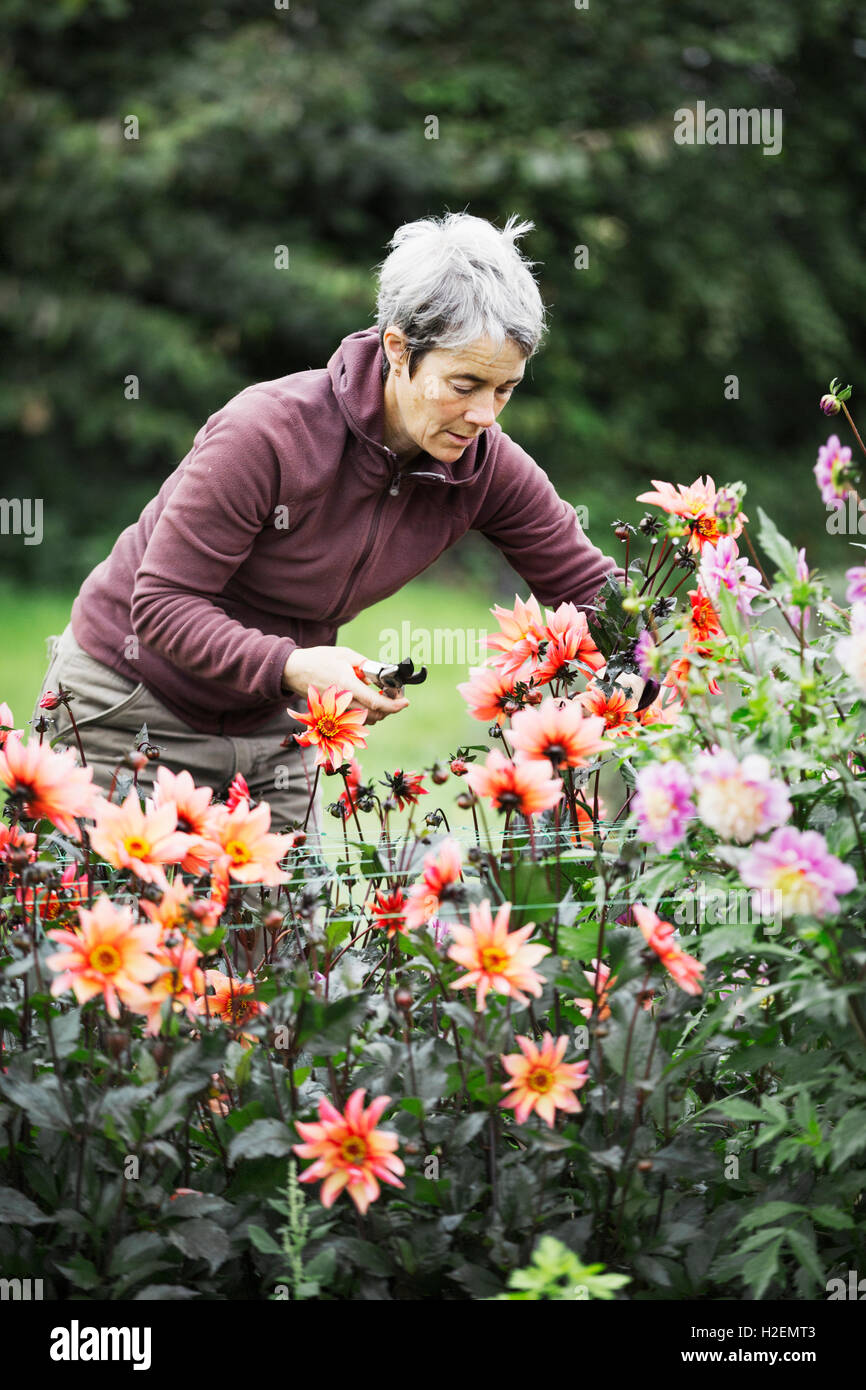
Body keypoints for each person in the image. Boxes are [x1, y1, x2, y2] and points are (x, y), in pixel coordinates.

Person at [33, 211, 627, 845]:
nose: (483, 414)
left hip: (268, 731)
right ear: (398, 350)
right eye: (465, 384)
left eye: (505, 389)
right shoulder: (267, 434)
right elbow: (161, 606)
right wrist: (294, 665)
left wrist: (686, 662)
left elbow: (593, 592)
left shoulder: (483, 465)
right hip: (128, 707)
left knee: (286, 943)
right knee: (115, 935)